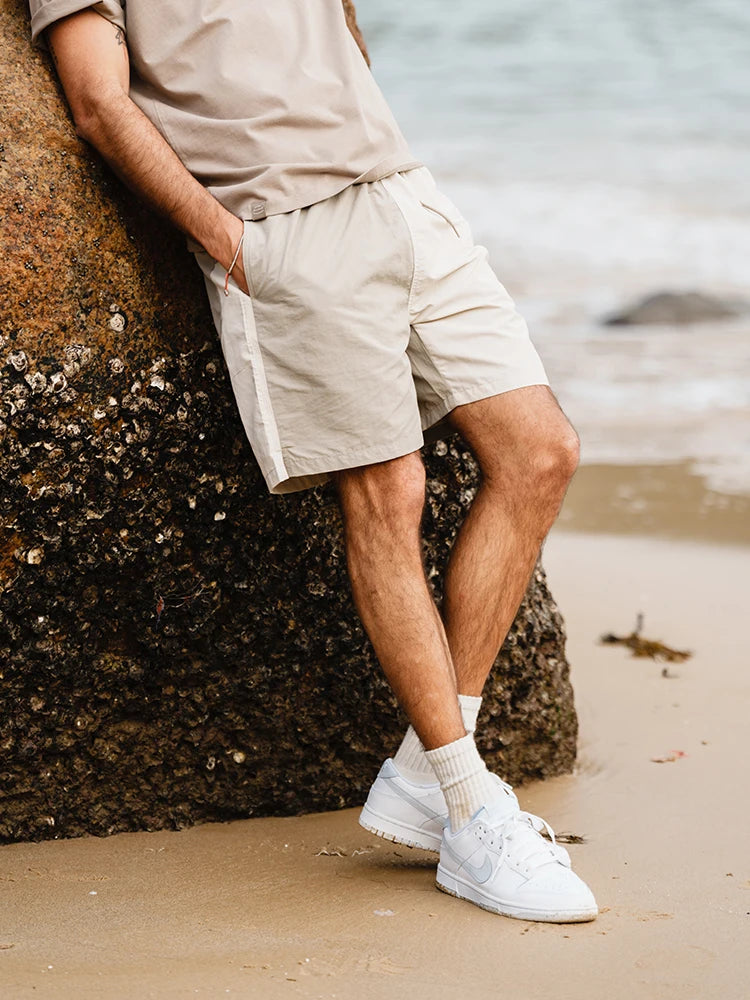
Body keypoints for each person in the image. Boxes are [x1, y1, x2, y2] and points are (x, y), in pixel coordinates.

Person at [29, 0, 597, 923]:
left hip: (405, 197)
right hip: (282, 233)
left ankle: (426, 769)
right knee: (389, 490)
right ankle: (467, 807)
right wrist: (230, 243)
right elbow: (98, 100)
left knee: (542, 452)